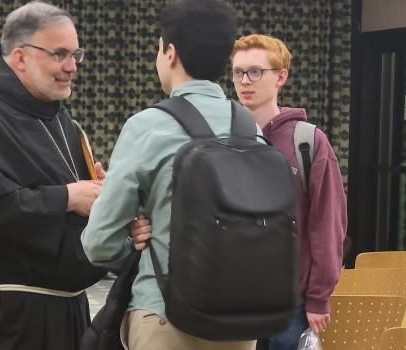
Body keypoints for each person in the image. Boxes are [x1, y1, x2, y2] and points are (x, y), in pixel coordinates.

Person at [0, 2, 147, 349]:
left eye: (76, 55)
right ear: (19, 56)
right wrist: (68, 197)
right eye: (59, 54)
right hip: (15, 318)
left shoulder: (57, 116)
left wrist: (104, 198)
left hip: (68, 308)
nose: (72, 67)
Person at [80, 1, 255, 349]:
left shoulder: (149, 126)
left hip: (165, 315)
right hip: (240, 319)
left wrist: (136, 244)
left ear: (170, 52)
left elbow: (97, 243)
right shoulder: (250, 129)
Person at [230, 34, 347, 350]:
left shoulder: (307, 142)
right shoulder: (224, 138)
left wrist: (319, 296)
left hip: (291, 303)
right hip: (235, 298)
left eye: (256, 71)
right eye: (238, 72)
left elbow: (328, 223)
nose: (245, 81)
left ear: (281, 77)